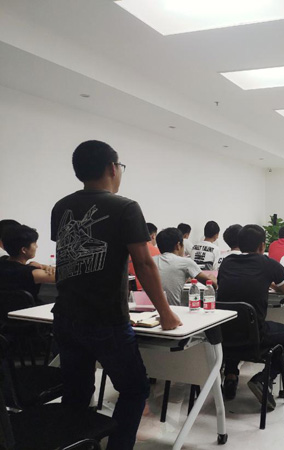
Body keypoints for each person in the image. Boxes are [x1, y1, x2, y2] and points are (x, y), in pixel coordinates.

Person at [50, 140, 181, 450]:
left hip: (65, 315)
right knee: (135, 389)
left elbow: (68, 259)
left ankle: (75, 444)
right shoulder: (125, 207)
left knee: (76, 392)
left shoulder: (61, 206)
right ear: (112, 168)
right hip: (105, 318)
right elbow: (144, 263)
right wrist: (165, 312)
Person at [217, 225, 284, 409]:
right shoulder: (267, 263)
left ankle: (230, 376)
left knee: (235, 320)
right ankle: (264, 378)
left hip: (223, 336)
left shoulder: (227, 262)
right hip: (254, 338)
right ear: (262, 246)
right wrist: (271, 283)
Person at [153, 228, 218, 306]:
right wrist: (212, 278)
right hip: (173, 310)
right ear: (178, 245)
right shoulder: (186, 262)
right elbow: (211, 285)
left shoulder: (151, 261)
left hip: (150, 310)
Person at [0, 225, 56, 303]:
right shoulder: (30, 273)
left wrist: (41, 266)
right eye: (34, 244)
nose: (37, 246)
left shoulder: (3, 262)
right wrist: (45, 267)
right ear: (24, 250)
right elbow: (64, 275)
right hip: (29, 309)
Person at [128, 222, 160, 290]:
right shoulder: (157, 252)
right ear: (153, 236)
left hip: (130, 289)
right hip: (148, 290)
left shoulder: (130, 250)